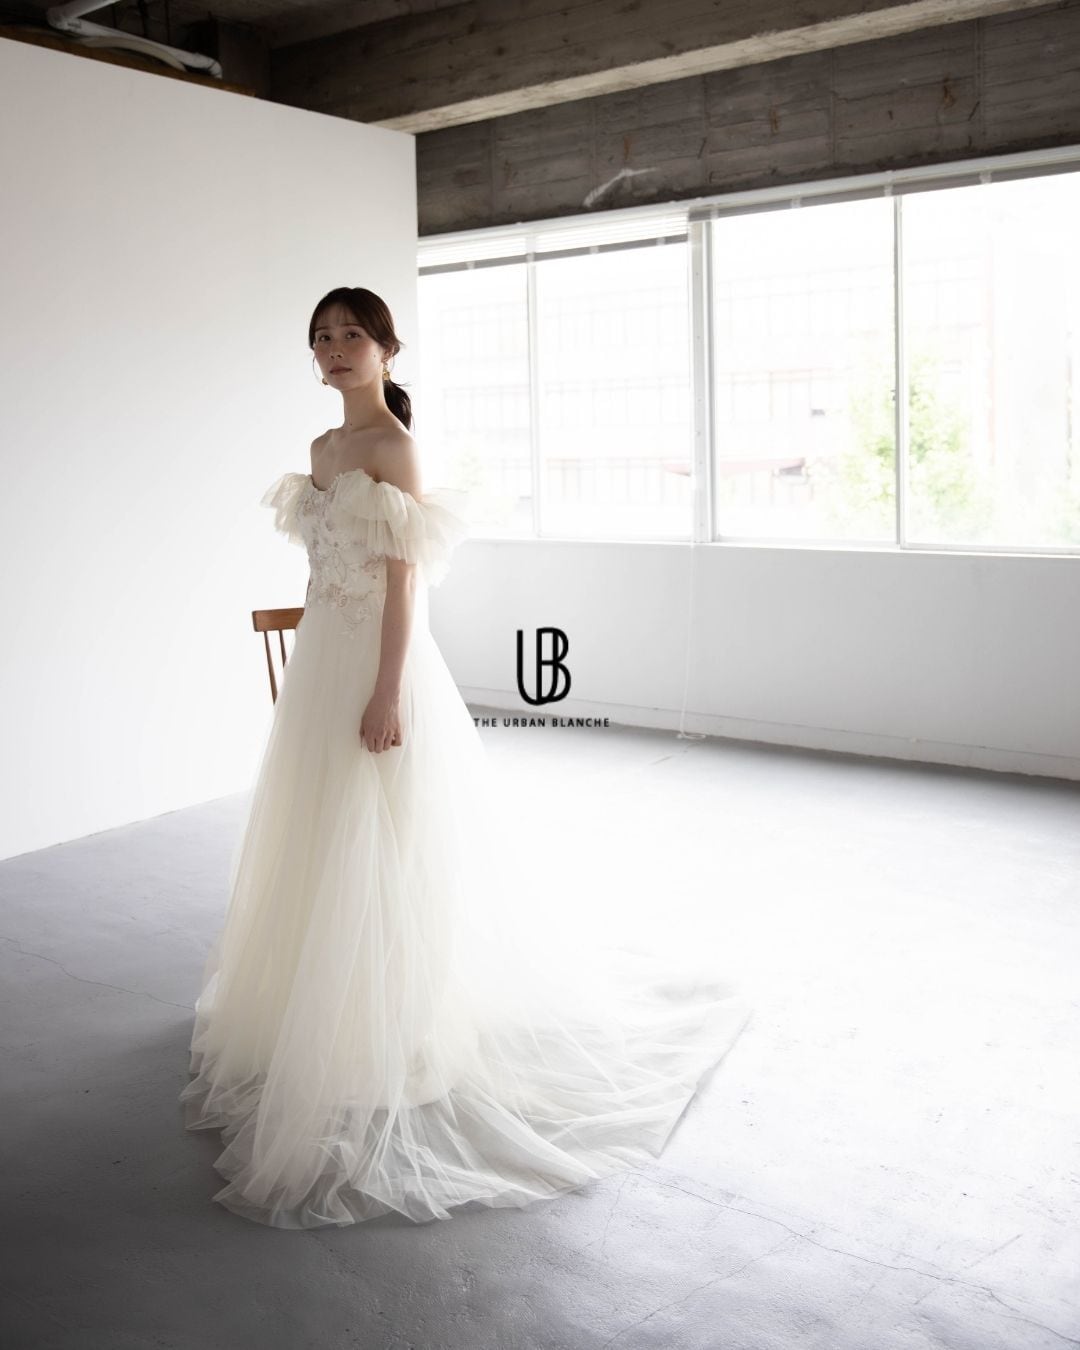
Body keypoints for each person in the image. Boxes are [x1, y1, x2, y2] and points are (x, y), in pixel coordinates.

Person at [179, 285, 752, 1229]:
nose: (334, 349)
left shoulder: (395, 448)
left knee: (385, 839)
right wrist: (316, 664)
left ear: (387, 350)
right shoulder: (320, 452)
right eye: (321, 338)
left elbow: (406, 587)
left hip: (378, 664)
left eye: (351, 335)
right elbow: (321, 571)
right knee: (320, 836)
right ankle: (314, 1015)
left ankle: (389, 1024)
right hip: (324, 659)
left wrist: (384, 691)